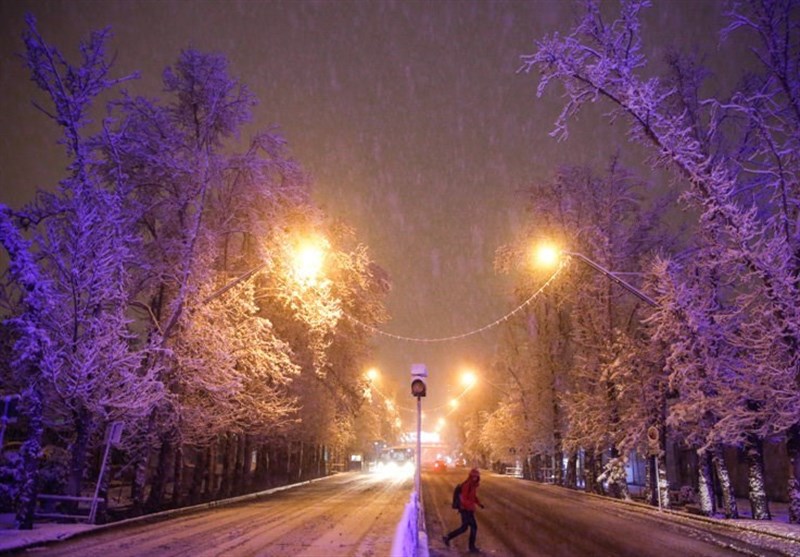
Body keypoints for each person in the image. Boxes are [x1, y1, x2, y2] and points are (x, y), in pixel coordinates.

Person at [443, 467, 485, 553]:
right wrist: (468, 507)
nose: (475, 478)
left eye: (476, 477)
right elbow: (463, 498)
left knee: (464, 528)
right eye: (474, 476)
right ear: (470, 476)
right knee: (473, 527)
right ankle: (471, 547)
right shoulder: (467, 485)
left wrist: (479, 504)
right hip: (466, 510)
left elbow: (473, 497)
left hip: (468, 509)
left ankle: (448, 537)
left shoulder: (472, 486)